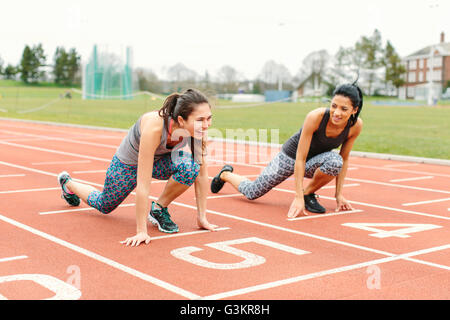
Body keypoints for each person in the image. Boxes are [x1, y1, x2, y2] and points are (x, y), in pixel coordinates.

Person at [57, 88, 218, 247]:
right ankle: (68, 184)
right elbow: (143, 183)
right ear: (182, 120)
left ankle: (158, 209)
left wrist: (202, 217)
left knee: (190, 167)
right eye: (200, 120)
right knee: (104, 205)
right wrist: (141, 231)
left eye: (209, 118)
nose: (206, 125)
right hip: (128, 164)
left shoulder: (198, 131)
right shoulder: (154, 128)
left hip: (160, 160)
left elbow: (202, 175)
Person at [210, 82, 364, 218]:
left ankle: (307, 194)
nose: (336, 113)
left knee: (336, 162)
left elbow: (344, 159)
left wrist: (338, 195)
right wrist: (296, 196)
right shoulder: (315, 117)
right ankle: (225, 174)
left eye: (344, 109)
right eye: (334, 106)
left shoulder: (355, 126)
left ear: (354, 110)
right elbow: (300, 158)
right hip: (291, 156)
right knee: (252, 192)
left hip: (316, 161)